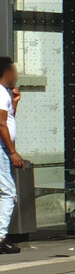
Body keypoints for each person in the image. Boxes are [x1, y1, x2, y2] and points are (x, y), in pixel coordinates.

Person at [0, 57, 24, 253]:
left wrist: (15, 102)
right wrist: (13, 152)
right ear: (6, 71)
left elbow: (8, 120)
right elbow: (1, 124)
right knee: (8, 192)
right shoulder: (0, 93)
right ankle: (0, 237)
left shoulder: (5, 94)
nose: (16, 75)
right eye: (14, 70)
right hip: (1, 149)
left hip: (3, 148)